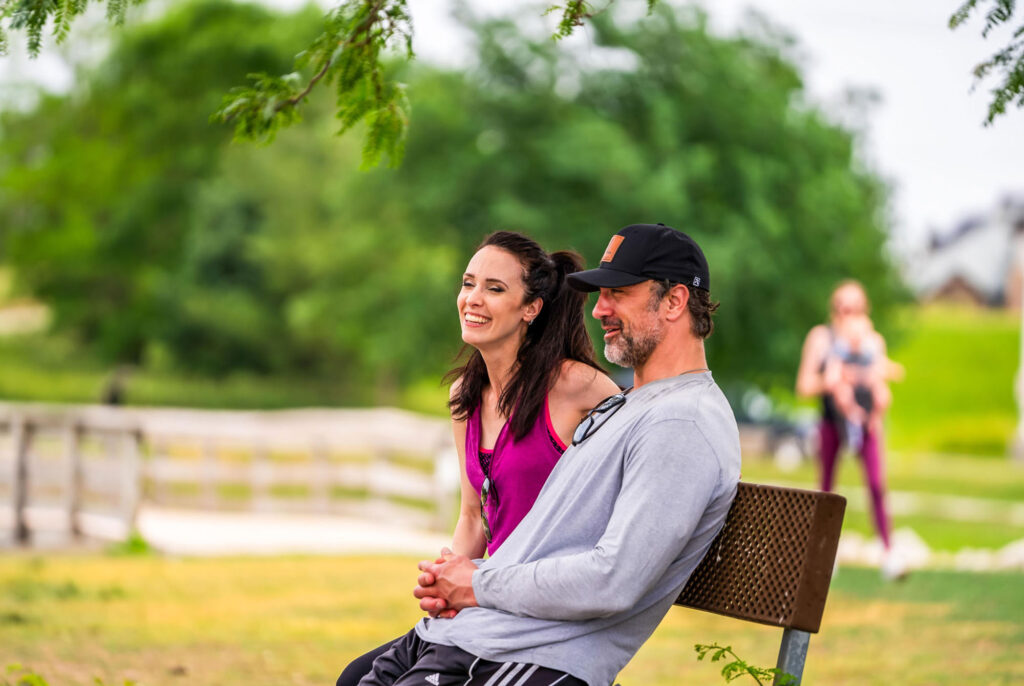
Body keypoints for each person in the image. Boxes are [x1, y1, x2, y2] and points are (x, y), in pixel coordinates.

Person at [346, 223, 741, 686]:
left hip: (531, 653)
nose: (599, 310)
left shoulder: (682, 423)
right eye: (600, 294)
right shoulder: (629, 407)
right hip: (484, 633)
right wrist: (458, 579)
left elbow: (613, 579)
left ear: (674, 301)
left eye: (619, 293)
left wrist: (475, 583)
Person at [337, 231, 620, 686]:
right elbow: (473, 517)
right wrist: (445, 580)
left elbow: (642, 443)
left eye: (494, 288)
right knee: (354, 677)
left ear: (531, 308)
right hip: (485, 599)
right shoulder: (464, 398)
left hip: (538, 614)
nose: (473, 298)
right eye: (468, 283)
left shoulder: (576, 387)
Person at [795, 279, 904, 578]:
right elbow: (804, 386)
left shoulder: (873, 340)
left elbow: (882, 379)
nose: (849, 314)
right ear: (834, 310)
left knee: (877, 485)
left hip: (866, 421)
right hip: (832, 420)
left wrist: (875, 402)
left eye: (855, 308)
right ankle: (824, 553)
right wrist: (834, 381)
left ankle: (888, 551)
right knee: (827, 487)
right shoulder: (821, 338)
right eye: (844, 308)